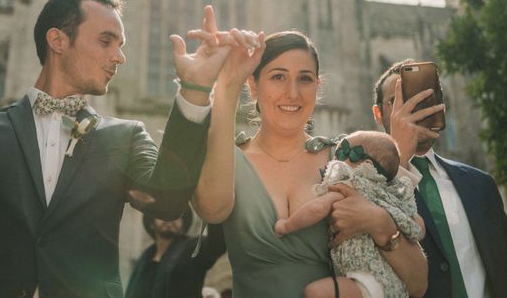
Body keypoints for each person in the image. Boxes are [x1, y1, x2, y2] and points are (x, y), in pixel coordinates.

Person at [0, 0, 236, 297]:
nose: (119, 56)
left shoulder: (125, 136)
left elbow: (170, 201)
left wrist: (195, 89)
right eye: (106, 40)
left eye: (120, 44)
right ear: (57, 40)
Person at [193, 30, 428, 298]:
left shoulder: (349, 159)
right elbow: (212, 208)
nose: (292, 93)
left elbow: (419, 283)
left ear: (317, 87)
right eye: (278, 77)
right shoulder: (229, 159)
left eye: (304, 79)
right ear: (254, 86)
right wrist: (227, 86)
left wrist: (380, 223)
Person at [373, 60, 507, 298]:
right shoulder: (366, 185)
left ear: (441, 108)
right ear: (378, 113)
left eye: (421, 99)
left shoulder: (481, 185)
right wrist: (400, 154)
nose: (410, 109)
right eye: (397, 102)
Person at [275, 131, 423, 297]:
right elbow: (418, 227)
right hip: (392, 282)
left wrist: (286, 225)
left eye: (345, 152)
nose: (336, 159)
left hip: (366, 279)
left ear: (366, 165)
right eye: (337, 151)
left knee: (315, 292)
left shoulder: (348, 186)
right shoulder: (390, 194)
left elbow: (316, 209)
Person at [125, 207, 226, 298]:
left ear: (183, 224)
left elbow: (217, 243)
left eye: (176, 215)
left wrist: (212, 206)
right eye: (162, 214)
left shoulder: (191, 249)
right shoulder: (143, 260)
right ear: (151, 223)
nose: (169, 219)